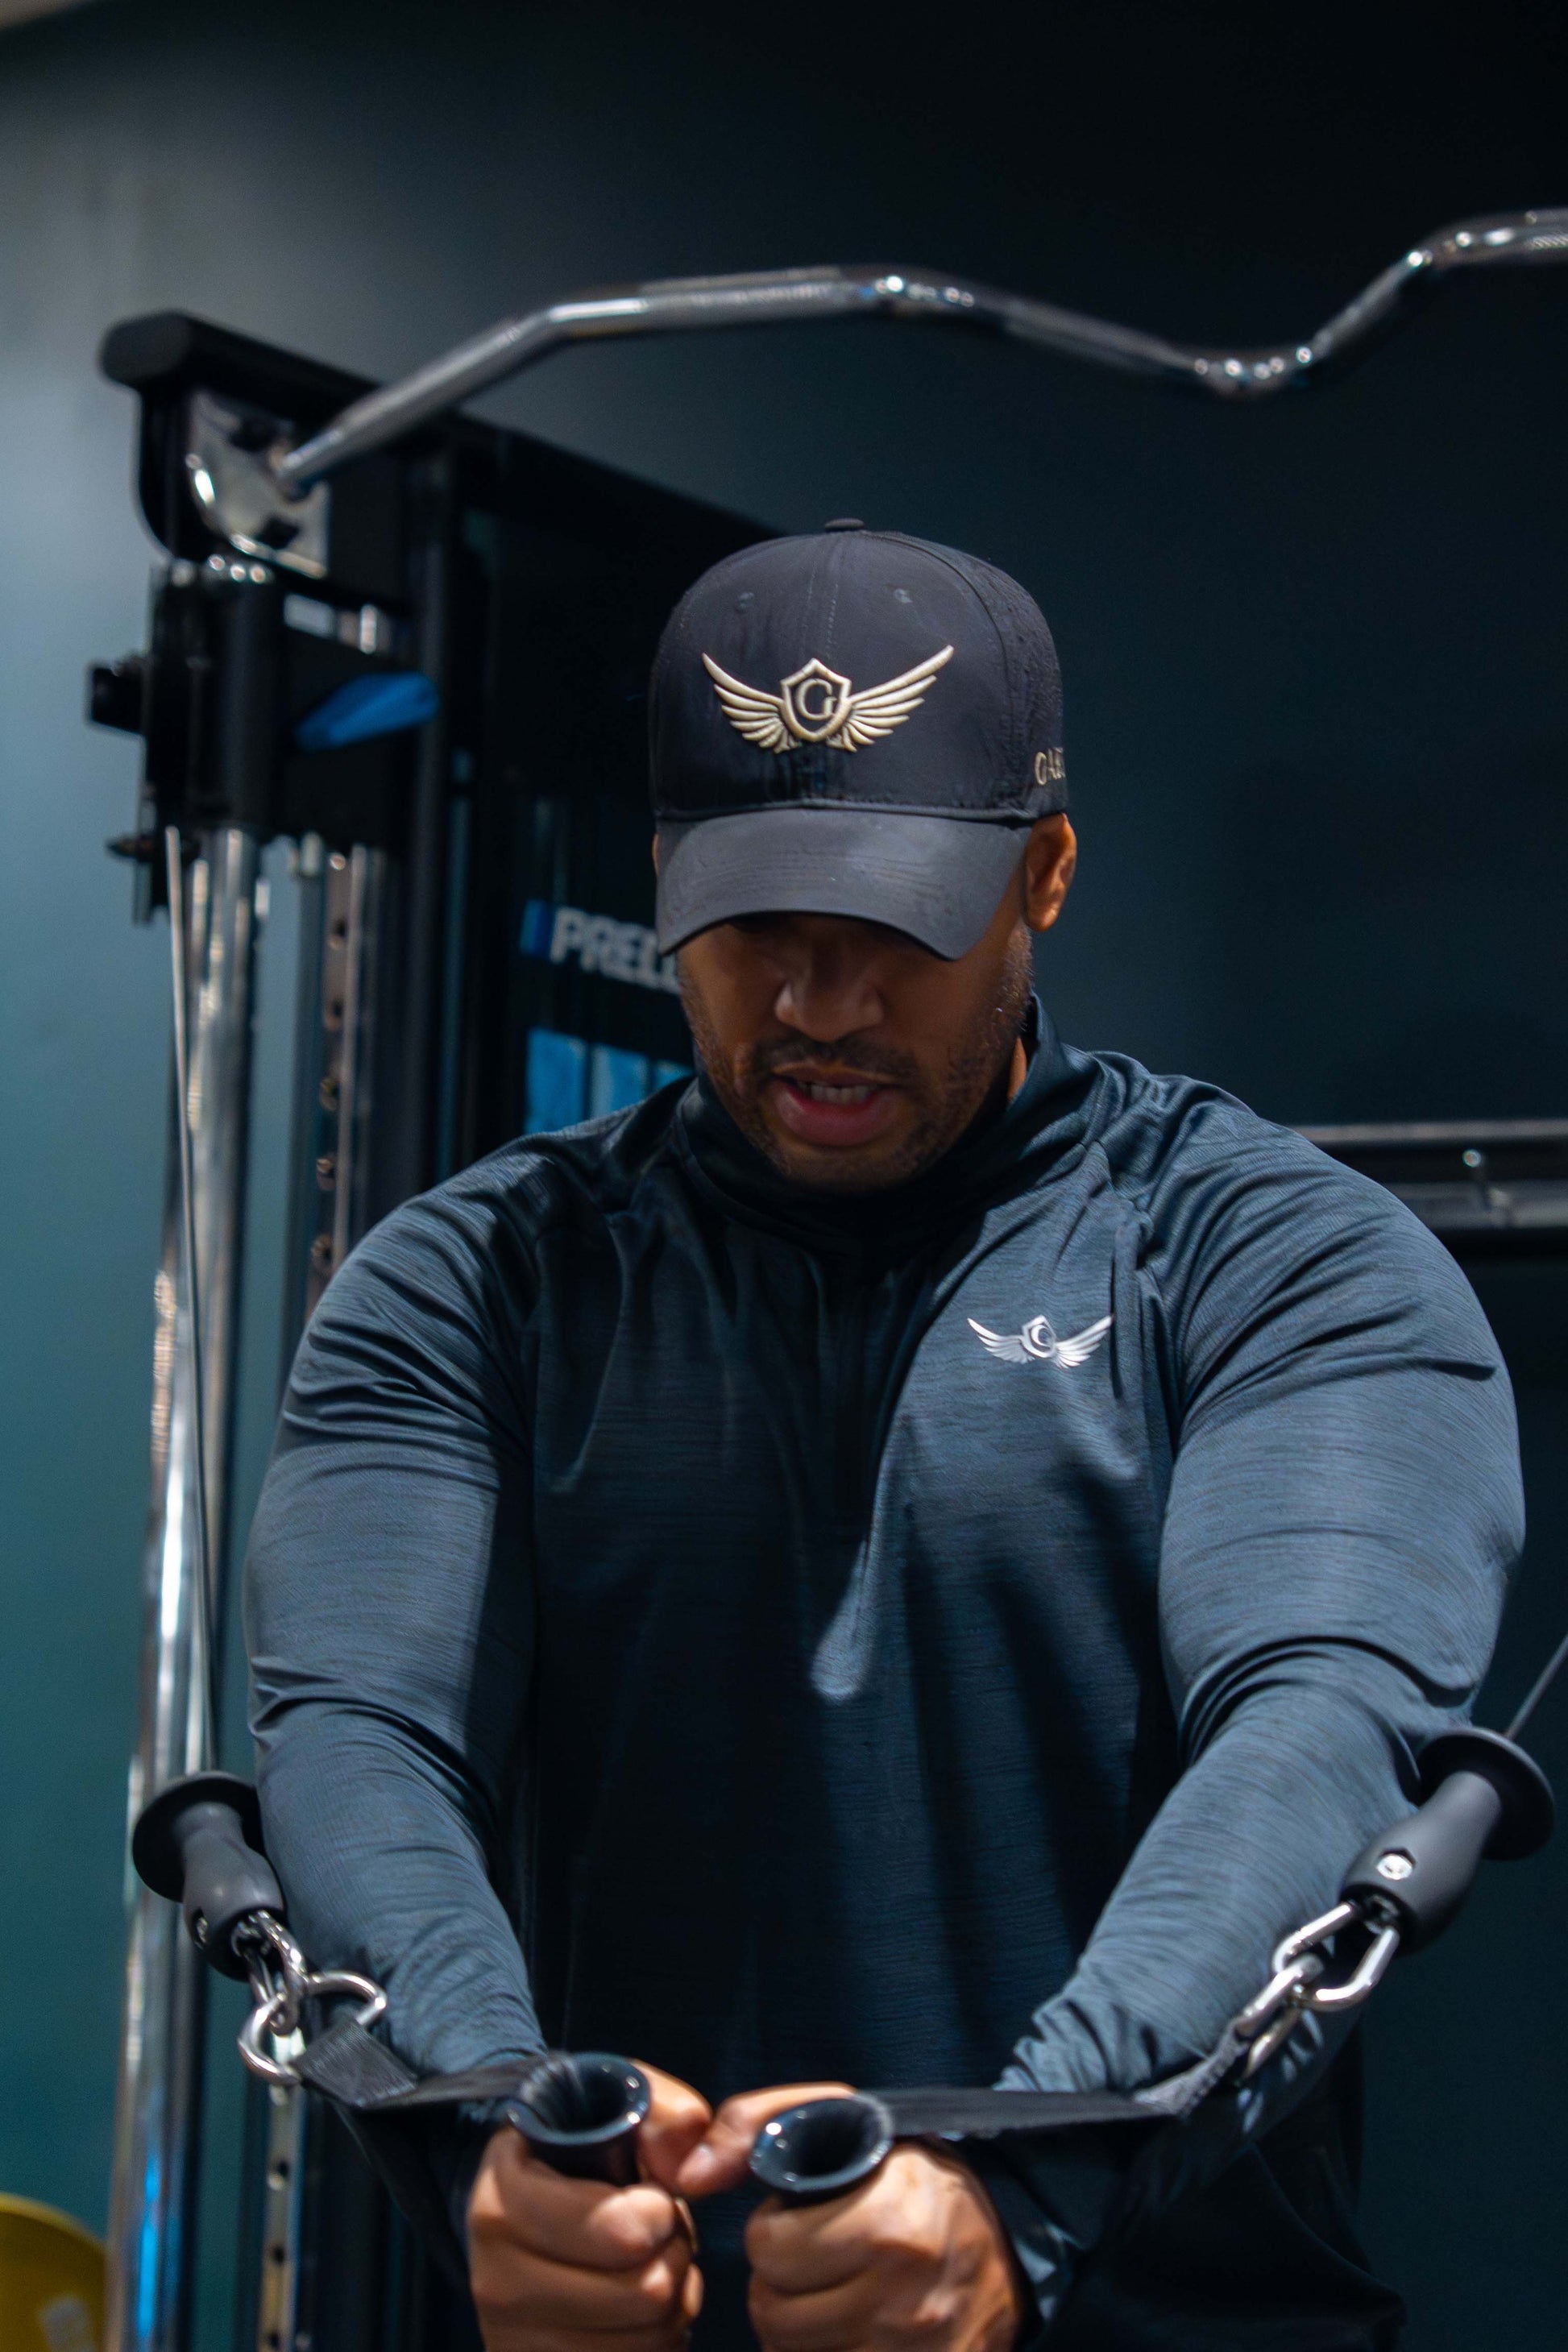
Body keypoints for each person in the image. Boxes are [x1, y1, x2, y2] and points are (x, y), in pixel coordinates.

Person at [247, 523, 1520, 2352]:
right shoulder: (476, 1282)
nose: (819, 1002)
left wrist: (1021, 2176)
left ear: (1045, 872)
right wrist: (493, 2125)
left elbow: (1315, 1728)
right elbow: (364, 1733)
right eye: (756, 923)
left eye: (896, 926)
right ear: (663, 872)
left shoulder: (1279, 1262)